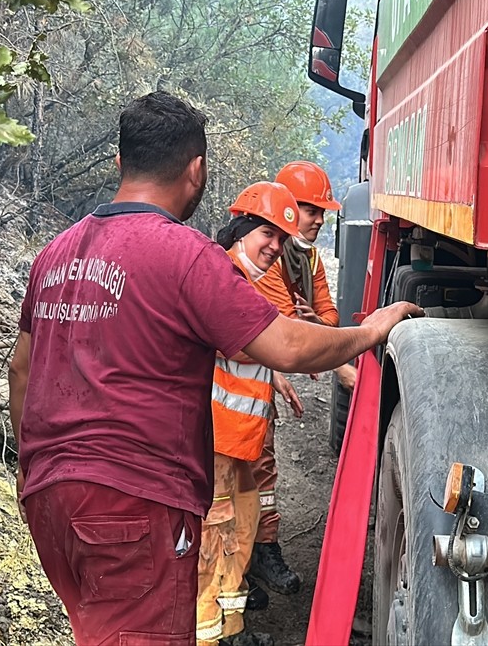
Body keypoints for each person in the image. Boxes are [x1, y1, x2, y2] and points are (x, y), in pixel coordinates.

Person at [8, 91, 420, 645]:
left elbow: (23, 372)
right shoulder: (185, 255)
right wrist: (373, 330)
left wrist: (32, 472)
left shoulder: (55, 253)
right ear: (197, 169)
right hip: (134, 506)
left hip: (48, 496)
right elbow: (289, 347)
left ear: (119, 163)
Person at [197, 182, 304, 646]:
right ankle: (205, 636)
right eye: (267, 233)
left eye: (282, 241)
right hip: (217, 442)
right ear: (241, 228)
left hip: (240, 442)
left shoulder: (245, 284)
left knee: (237, 537)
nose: (274, 248)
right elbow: (264, 343)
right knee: (211, 543)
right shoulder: (223, 278)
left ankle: (234, 631)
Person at [246, 161, 352, 596]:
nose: (320, 221)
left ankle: (260, 551)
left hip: (255, 382)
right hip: (242, 382)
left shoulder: (305, 259)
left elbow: (326, 315)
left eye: (323, 212)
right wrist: (339, 363)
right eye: (312, 210)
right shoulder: (266, 258)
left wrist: (313, 324)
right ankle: (245, 563)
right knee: (240, 474)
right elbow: (286, 337)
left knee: (259, 470)